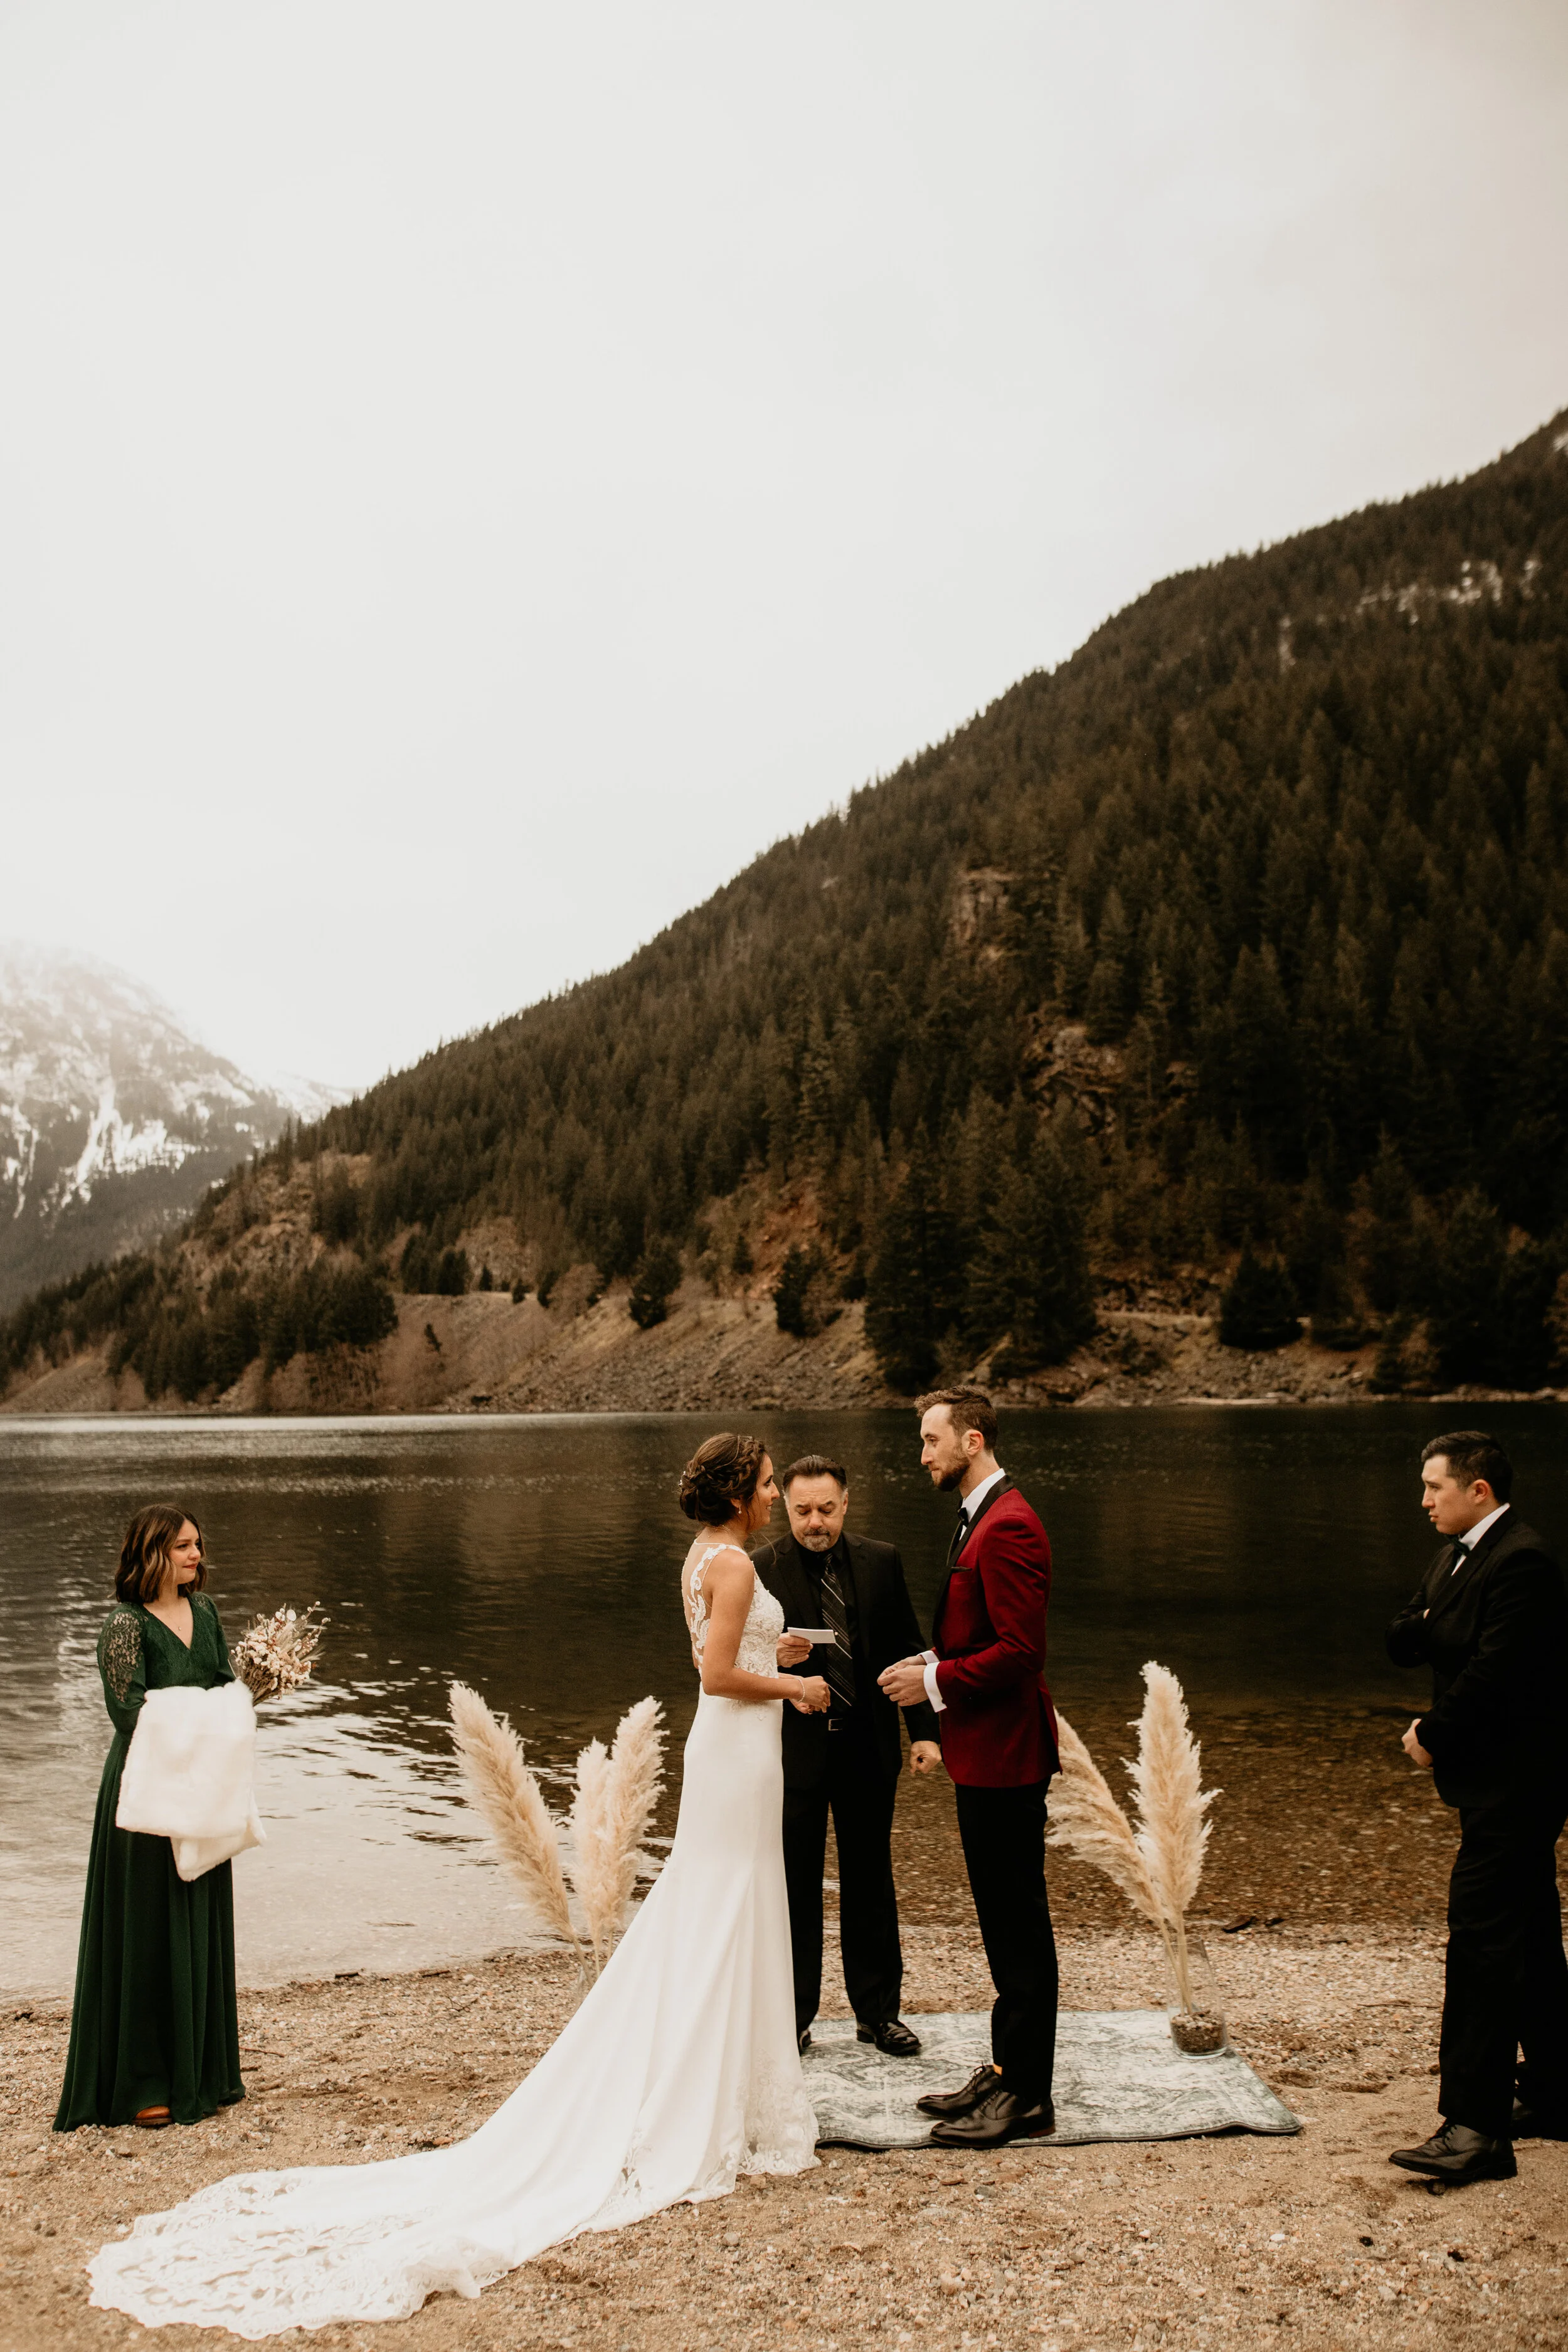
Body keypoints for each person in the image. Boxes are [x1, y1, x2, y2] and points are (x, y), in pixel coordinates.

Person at [87, 1434, 832, 2337]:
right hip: (744, 1744)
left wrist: (775, 1653)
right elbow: (715, 1671)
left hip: (732, 1752)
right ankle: (711, 2095)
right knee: (724, 1906)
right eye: (763, 1484)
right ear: (741, 1495)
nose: (771, 1496)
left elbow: (717, 1653)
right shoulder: (738, 1568)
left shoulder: (705, 1557)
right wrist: (797, 1686)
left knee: (720, 1906)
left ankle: (729, 2082)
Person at [1385, 1430, 1568, 2188]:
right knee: (1526, 1930)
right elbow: (1406, 1633)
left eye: (1435, 1488)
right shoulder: (1455, 1551)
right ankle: (1560, 2094)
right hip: (1491, 1777)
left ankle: (1476, 2128)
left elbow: (1496, 1670)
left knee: (1482, 1936)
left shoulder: (1520, 1561)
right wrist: (1427, 1627)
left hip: (1520, 1777)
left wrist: (1432, 1731)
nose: (1424, 1501)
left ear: (1477, 1491)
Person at [879, 1389, 1059, 2148]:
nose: (922, 1455)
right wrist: (931, 1658)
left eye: (930, 1441)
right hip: (982, 1755)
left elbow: (1020, 1653)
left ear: (972, 1440)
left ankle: (1028, 2098)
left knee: (1018, 1927)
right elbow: (978, 1630)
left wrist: (931, 1685)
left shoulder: (1010, 1524)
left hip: (1009, 1758)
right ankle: (1004, 2069)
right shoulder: (979, 1514)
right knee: (1000, 1921)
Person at [55, 1505, 245, 2134]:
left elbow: (223, 1687)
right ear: (151, 1553)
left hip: (203, 1784)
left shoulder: (208, 1612)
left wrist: (245, 1702)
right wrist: (208, 1719)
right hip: (144, 1790)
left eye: (198, 1543)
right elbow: (128, 1713)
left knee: (196, 1916)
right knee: (144, 1930)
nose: (196, 1555)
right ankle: (142, 2083)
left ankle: (203, 2070)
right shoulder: (122, 1625)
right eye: (184, 1546)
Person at [753, 1451, 941, 2057]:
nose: (816, 1523)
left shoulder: (881, 1560)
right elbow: (731, 1665)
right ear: (786, 1505)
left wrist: (926, 1733)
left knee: (870, 1881)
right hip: (792, 1753)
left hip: (868, 1746)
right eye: (804, 1510)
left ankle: (879, 2014)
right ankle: (794, 2017)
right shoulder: (760, 1568)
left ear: (846, 1503)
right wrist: (770, 1660)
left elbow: (909, 1652)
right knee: (795, 1886)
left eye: (827, 1510)